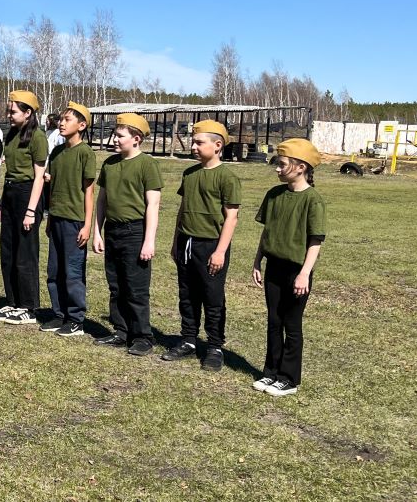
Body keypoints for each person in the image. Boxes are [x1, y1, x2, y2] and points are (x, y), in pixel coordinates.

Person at [162, 120, 241, 370]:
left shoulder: (227, 178)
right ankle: (188, 340)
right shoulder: (189, 174)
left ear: (217, 146)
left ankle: (215, 346)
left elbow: (231, 217)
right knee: (187, 294)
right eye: (193, 142)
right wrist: (176, 241)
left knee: (212, 297)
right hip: (187, 242)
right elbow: (183, 209)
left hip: (211, 246)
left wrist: (219, 251)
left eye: (199, 142)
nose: (194, 146)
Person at [252, 138, 326, 397]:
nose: (277, 169)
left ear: (301, 167)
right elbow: (267, 232)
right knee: (274, 321)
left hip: (297, 271)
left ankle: (289, 378)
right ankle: (270, 372)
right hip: (273, 267)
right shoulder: (273, 195)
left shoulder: (312, 200)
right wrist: (257, 260)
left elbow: (315, 240)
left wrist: (304, 274)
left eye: (282, 164)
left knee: (291, 324)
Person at [91, 113, 162, 356]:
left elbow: (152, 205)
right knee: (116, 285)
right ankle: (121, 331)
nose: (115, 139)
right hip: (112, 231)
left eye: (120, 136)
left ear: (136, 139)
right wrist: (97, 232)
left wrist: (148, 241)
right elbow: (102, 200)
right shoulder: (109, 164)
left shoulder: (147, 165)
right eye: (115, 135)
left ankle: (143, 336)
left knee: (136, 287)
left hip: (135, 232)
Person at [40, 102, 96, 338]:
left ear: (81, 125)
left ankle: (75, 319)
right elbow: (52, 190)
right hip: (57, 219)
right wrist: (50, 217)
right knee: (54, 270)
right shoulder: (57, 152)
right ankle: (59, 313)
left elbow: (89, 191)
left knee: (72, 272)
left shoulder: (86, 153)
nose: (61, 123)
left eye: (68, 120)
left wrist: (87, 225)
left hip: (75, 222)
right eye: (61, 119)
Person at [0, 90, 48, 326]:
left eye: (14, 111)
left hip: (28, 194)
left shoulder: (37, 137)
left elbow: (38, 177)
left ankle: (29, 306)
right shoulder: (11, 134)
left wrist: (31, 211)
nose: (9, 114)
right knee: (9, 251)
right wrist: (3, 203)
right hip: (11, 192)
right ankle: (13, 300)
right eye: (9, 110)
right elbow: (8, 172)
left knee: (25, 253)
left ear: (28, 112)